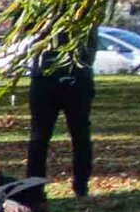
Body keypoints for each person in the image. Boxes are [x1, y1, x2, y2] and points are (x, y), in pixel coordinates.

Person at [26, 33, 97, 199]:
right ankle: (34, 187)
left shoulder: (82, 10)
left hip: (77, 77)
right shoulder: (44, 13)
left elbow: (91, 39)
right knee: (39, 136)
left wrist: (84, 62)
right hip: (45, 77)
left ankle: (81, 186)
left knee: (80, 135)